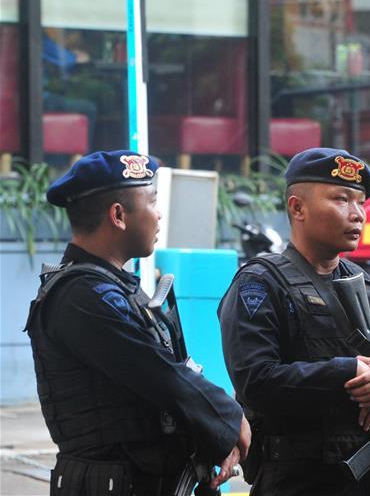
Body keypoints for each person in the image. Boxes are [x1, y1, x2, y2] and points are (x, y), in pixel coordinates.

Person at [26, 150, 249, 495]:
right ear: (118, 215)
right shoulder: (82, 296)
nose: (159, 214)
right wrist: (229, 417)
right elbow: (158, 372)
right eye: (152, 202)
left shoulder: (111, 287)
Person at [218, 147, 370, 496]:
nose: (357, 214)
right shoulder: (260, 283)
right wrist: (348, 372)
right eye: (342, 200)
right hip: (296, 481)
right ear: (297, 207)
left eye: (361, 202)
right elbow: (256, 381)